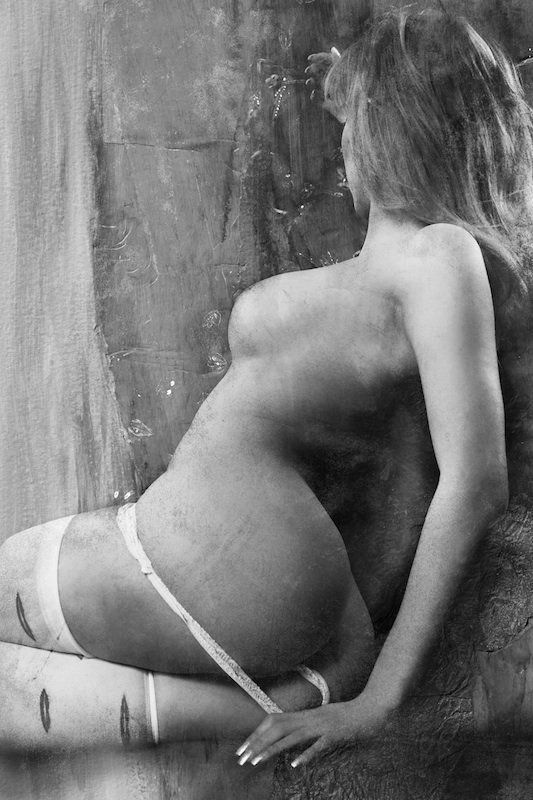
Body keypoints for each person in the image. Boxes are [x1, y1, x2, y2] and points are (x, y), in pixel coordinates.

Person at [0, 6, 529, 765]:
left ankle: (280, 701)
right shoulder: (395, 264)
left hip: (225, 562)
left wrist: (379, 702)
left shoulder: (440, 255)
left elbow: (476, 482)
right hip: (243, 563)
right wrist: (352, 83)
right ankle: (274, 703)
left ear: (395, 121)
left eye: (356, 120)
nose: (342, 141)